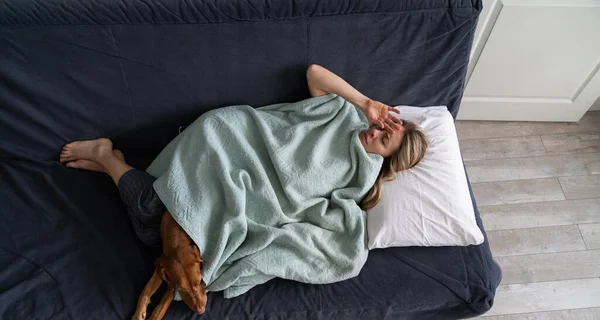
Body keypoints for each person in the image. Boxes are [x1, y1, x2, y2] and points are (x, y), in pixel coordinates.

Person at [59, 64, 427, 247]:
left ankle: (116, 166)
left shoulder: (364, 177)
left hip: (249, 187)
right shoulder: (345, 111)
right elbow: (314, 72)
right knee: (155, 212)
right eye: (383, 126)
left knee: (155, 234)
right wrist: (364, 102)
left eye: (382, 141)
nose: (375, 132)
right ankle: (107, 157)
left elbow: (315, 206)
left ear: (385, 159)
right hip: (232, 138)